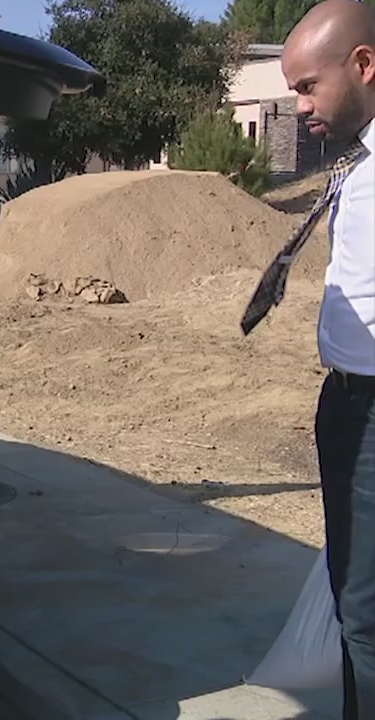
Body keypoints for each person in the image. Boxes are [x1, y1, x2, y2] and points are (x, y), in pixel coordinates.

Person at [244, 2, 375, 717]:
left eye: (306, 87)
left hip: (373, 415)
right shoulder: (361, 166)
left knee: (365, 619)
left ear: (363, 64)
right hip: (352, 405)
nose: (298, 105)